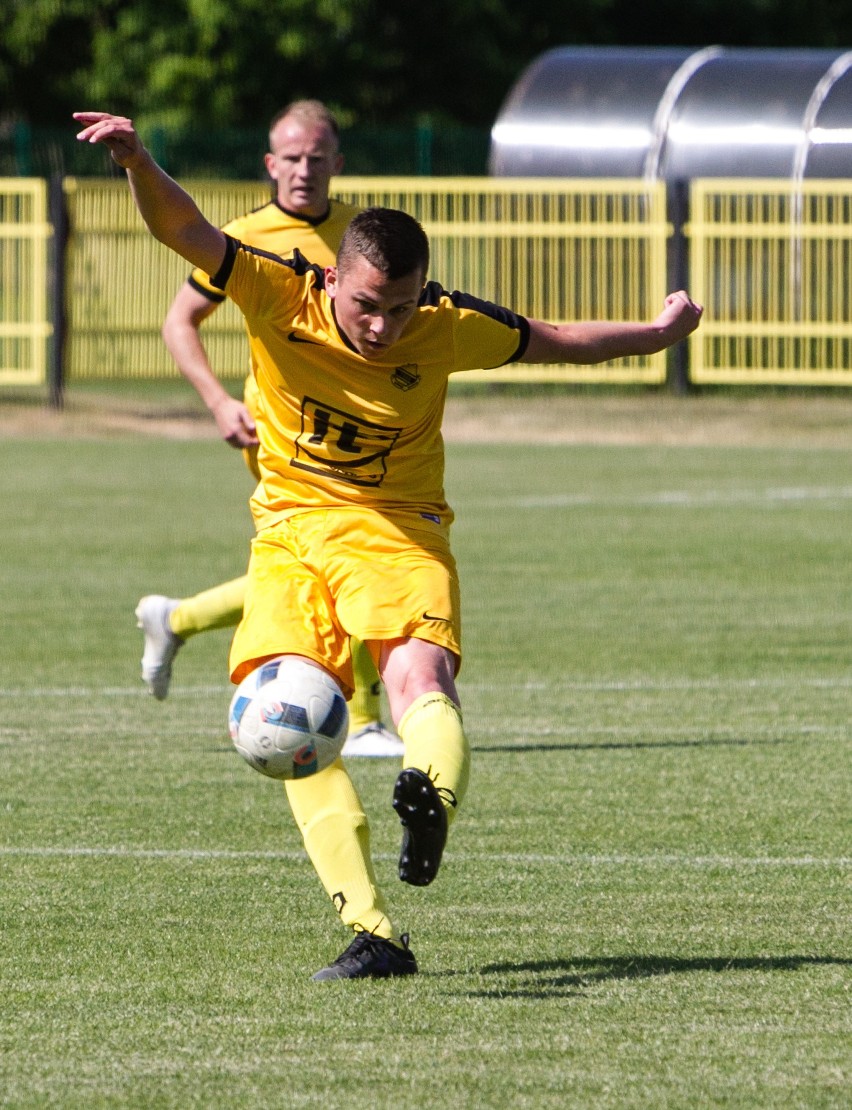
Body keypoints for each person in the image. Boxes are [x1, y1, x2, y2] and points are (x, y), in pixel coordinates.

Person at [75, 110, 703, 981]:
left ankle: (430, 801)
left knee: (420, 681)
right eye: (368, 307)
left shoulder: (446, 324)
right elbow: (184, 229)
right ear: (335, 280)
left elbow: (557, 342)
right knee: (291, 717)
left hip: (401, 531)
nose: (382, 329)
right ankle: (372, 930)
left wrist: (657, 335)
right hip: (291, 536)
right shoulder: (276, 288)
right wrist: (137, 158)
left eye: (401, 309)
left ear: (423, 294)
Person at [134, 99, 402, 758]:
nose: (303, 170)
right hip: (280, 434)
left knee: (323, 567)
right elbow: (179, 322)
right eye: (292, 157)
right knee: (354, 557)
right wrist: (220, 403)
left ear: (337, 164)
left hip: (360, 432)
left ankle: (176, 617)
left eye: (317, 158)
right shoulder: (246, 235)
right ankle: (364, 719)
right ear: (270, 163)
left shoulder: (361, 236)